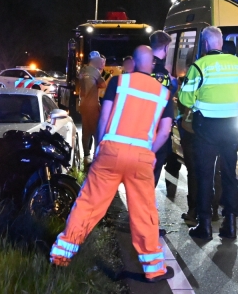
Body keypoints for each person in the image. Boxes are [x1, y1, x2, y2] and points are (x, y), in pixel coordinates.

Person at [50, 46, 175, 283]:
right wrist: (149, 151)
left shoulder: (119, 82)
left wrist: (100, 147)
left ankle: (61, 255)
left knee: (89, 204)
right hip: (140, 158)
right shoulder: (163, 93)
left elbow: (104, 118)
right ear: (152, 64)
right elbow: (165, 131)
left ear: (134, 62)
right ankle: (154, 269)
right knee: (144, 212)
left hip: (111, 152)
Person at [178, 26, 238, 240]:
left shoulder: (200, 66)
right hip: (231, 126)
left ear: (206, 44)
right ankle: (230, 224)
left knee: (205, 175)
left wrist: (199, 103)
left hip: (207, 127)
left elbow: (185, 98)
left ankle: (205, 225)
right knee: (229, 175)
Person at [149, 31, 180, 197]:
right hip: (158, 124)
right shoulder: (162, 72)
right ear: (166, 47)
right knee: (158, 161)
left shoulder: (142, 66)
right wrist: (174, 86)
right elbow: (164, 97)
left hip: (138, 125)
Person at [79, 51, 107, 165]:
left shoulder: (83, 70)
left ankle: (86, 156)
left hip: (83, 105)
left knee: (86, 131)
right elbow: (103, 84)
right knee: (96, 131)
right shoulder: (94, 71)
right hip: (92, 105)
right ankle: (96, 156)